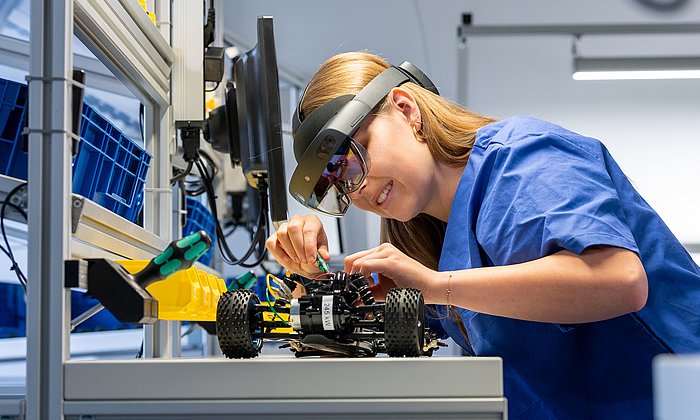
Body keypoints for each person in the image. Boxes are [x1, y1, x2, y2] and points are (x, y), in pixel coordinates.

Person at [265, 51, 700, 419]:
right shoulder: (431, 239)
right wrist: (316, 276)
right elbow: (376, 326)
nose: (356, 189)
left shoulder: (524, 156)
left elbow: (620, 280)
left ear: (406, 109)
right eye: (338, 186)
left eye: (354, 157)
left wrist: (437, 287)